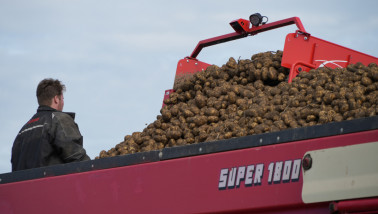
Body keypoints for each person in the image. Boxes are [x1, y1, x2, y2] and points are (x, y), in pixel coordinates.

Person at [11, 78, 90, 171]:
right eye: (62, 99)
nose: (63, 102)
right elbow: (78, 159)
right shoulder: (58, 119)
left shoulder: (22, 132)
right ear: (56, 99)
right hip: (53, 185)